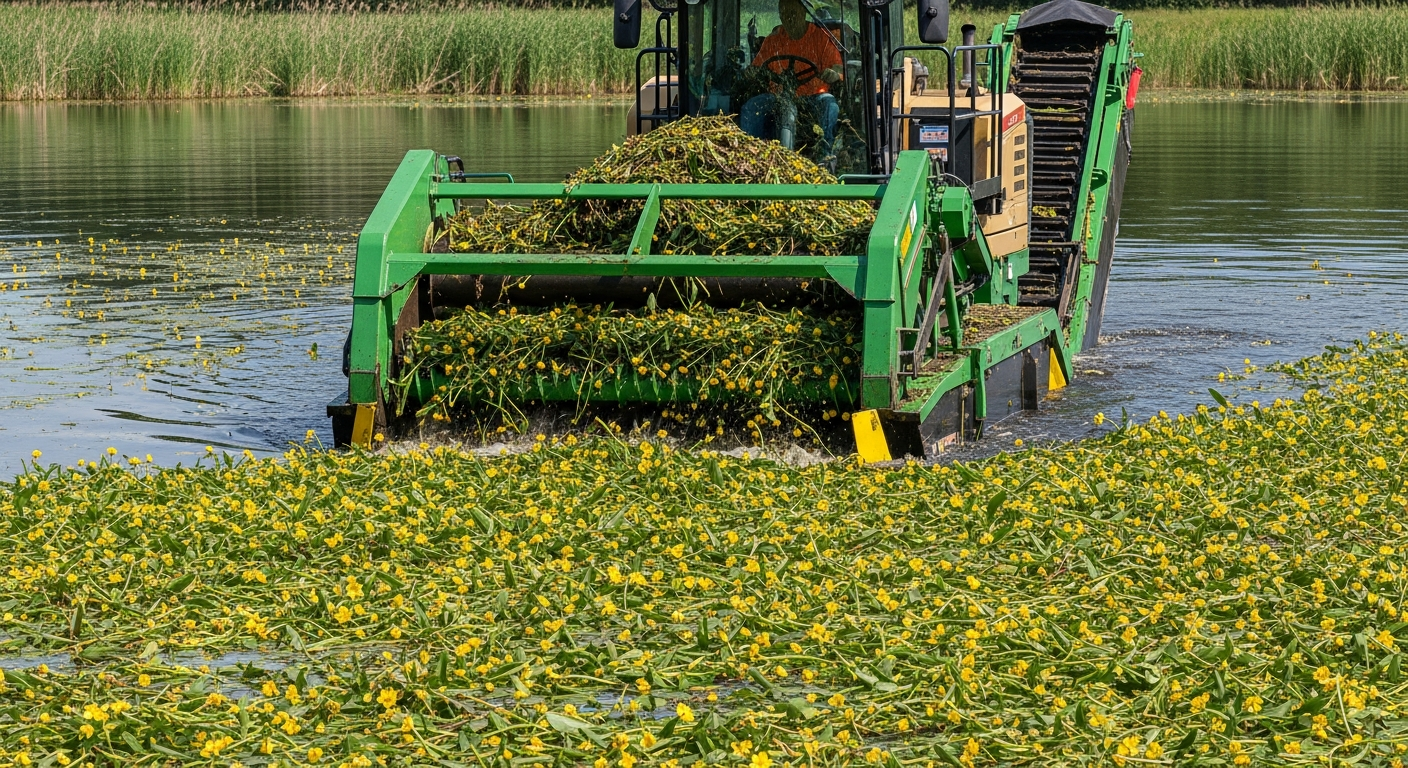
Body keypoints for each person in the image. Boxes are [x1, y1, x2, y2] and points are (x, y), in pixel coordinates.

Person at [739, 0, 843, 157]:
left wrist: (833, 73)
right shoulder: (773, 40)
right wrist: (751, 73)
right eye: (784, 15)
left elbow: (838, 68)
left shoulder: (820, 37)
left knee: (829, 104)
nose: (789, 19)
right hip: (777, 98)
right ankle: (751, 157)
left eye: (793, 13)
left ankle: (825, 157)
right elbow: (756, 67)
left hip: (813, 98)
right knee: (752, 107)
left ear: (803, 13)